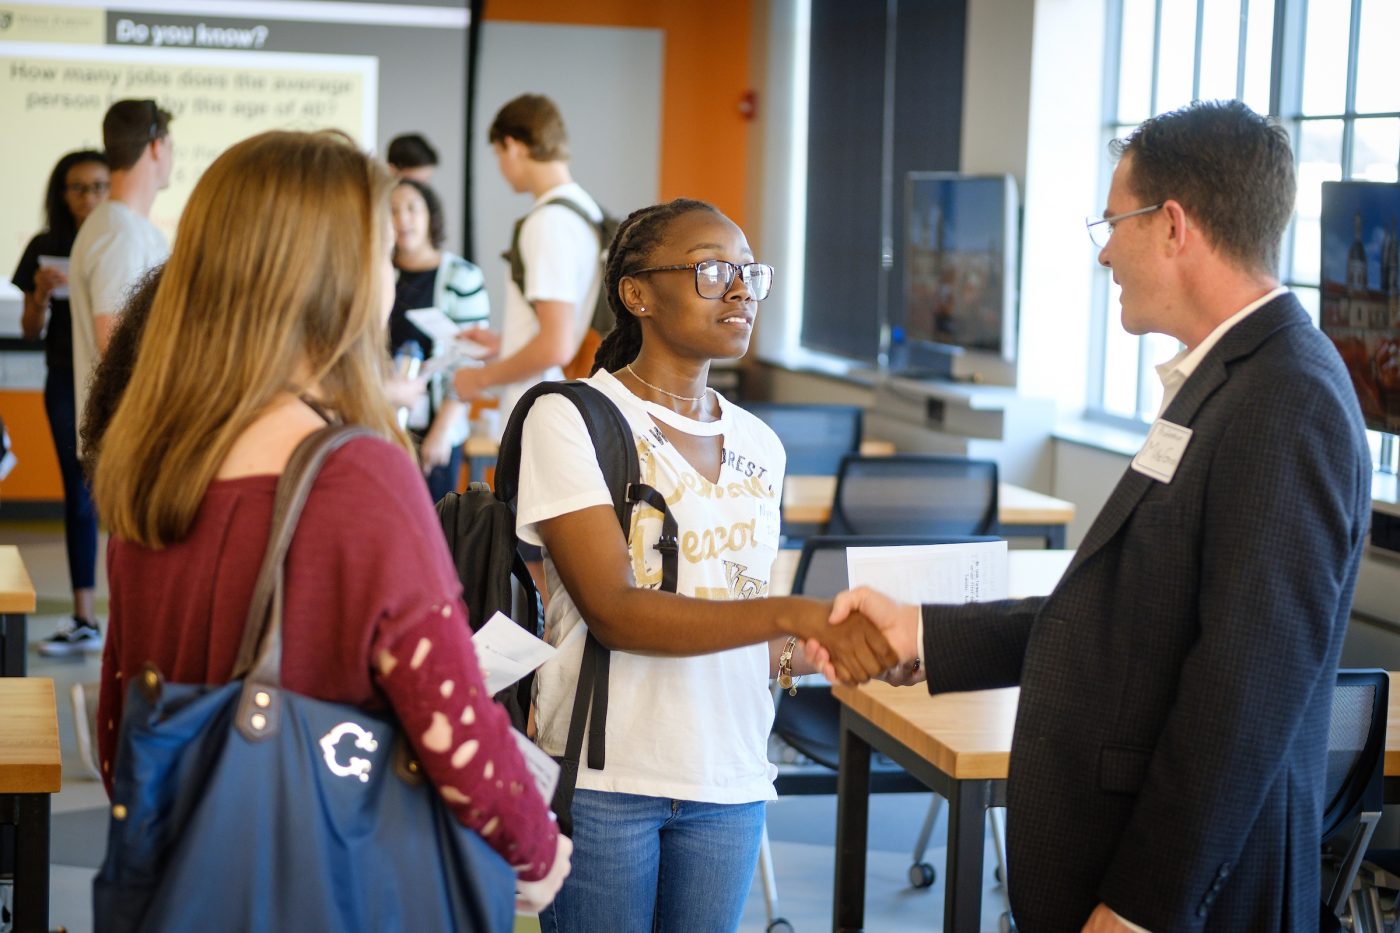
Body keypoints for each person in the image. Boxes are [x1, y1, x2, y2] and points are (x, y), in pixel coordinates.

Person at [826, 100, 1374, 932]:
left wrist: (1143, 906)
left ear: (1174, 226)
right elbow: (1126, 605)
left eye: (1114, 222)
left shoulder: (1285, 399)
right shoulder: (1226, 379)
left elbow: (1242, 697)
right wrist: (924, 633)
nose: (1106, 251)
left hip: (1178, 901)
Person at [90, 130, 570, 913]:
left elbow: (121, 726)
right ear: (336, 279)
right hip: (331, 877)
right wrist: (538, 846)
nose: (389, 278)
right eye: (380, 256)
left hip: (181, 878)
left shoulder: (157, 458)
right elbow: (454, 731)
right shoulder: (361, 475)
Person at [517, 197, 897, 932]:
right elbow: (616, 611)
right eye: (712, 270)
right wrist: (793, 612)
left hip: (730, 776)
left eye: (750, 273)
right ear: (637, 293)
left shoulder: (762, 442)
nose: (740, 290)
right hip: (606, 779)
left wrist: (829, 651)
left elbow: (750, 629)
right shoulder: (569, 417)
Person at [453, 94, 603, 431]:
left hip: (542, 412)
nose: (501, 167)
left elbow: (556, 345)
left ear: (514, 146)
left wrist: (479, 379)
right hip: (568, 406)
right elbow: (566, 326)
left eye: (498, 154)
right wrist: (505, 343)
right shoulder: (585, 211)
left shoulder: (548, 222)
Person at [11, 149, 109, 654]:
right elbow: (30, 330)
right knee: (78, 496)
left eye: (98, 186)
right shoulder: (45, 245)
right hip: (64, 382)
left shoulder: (117, 242)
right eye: (78, 187)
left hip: (111, 384)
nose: (88, 197)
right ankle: (84, 616)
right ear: (61, 192)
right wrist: (40, 298)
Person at [69, 98, 173, 466]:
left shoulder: (131, 229)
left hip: (136, 435)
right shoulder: (118, 234)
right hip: (130, 438)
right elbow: (115, 344)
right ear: (157, 147)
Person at [387, 177, 489, 501]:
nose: (402, 219)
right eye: (392, 211)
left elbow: (470, 358)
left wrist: (442, 430)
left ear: (430, 215)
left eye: (411, 209)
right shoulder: (377, 273)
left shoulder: (462, 276)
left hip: (437, 427)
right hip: (384, 425)